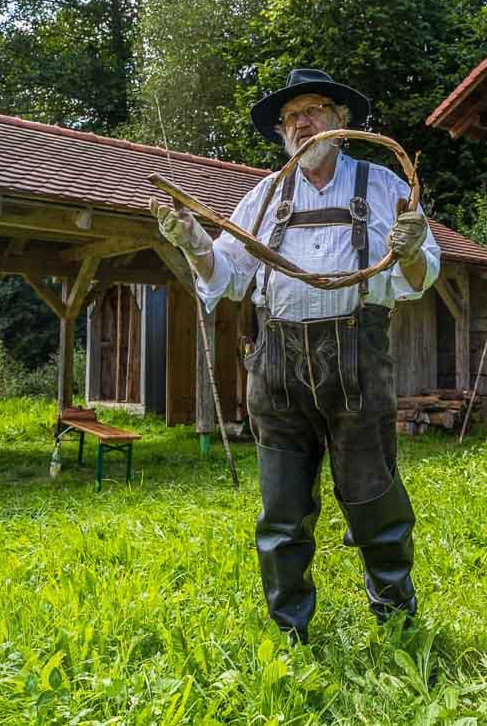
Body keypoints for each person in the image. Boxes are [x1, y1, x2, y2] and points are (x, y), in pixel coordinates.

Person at [149, 69, 440, 644]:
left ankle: (398, 622)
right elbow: (228, 276)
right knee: (281, 510)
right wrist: (190, 242)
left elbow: (421, 276)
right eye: (289, 118)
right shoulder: (265, 195)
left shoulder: (383, 185)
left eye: (311, 111)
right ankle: (290, 631)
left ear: (340, 122)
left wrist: (408, 251)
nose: (299, 124)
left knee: (373, 499)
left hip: (358, 359)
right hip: (277, 363)